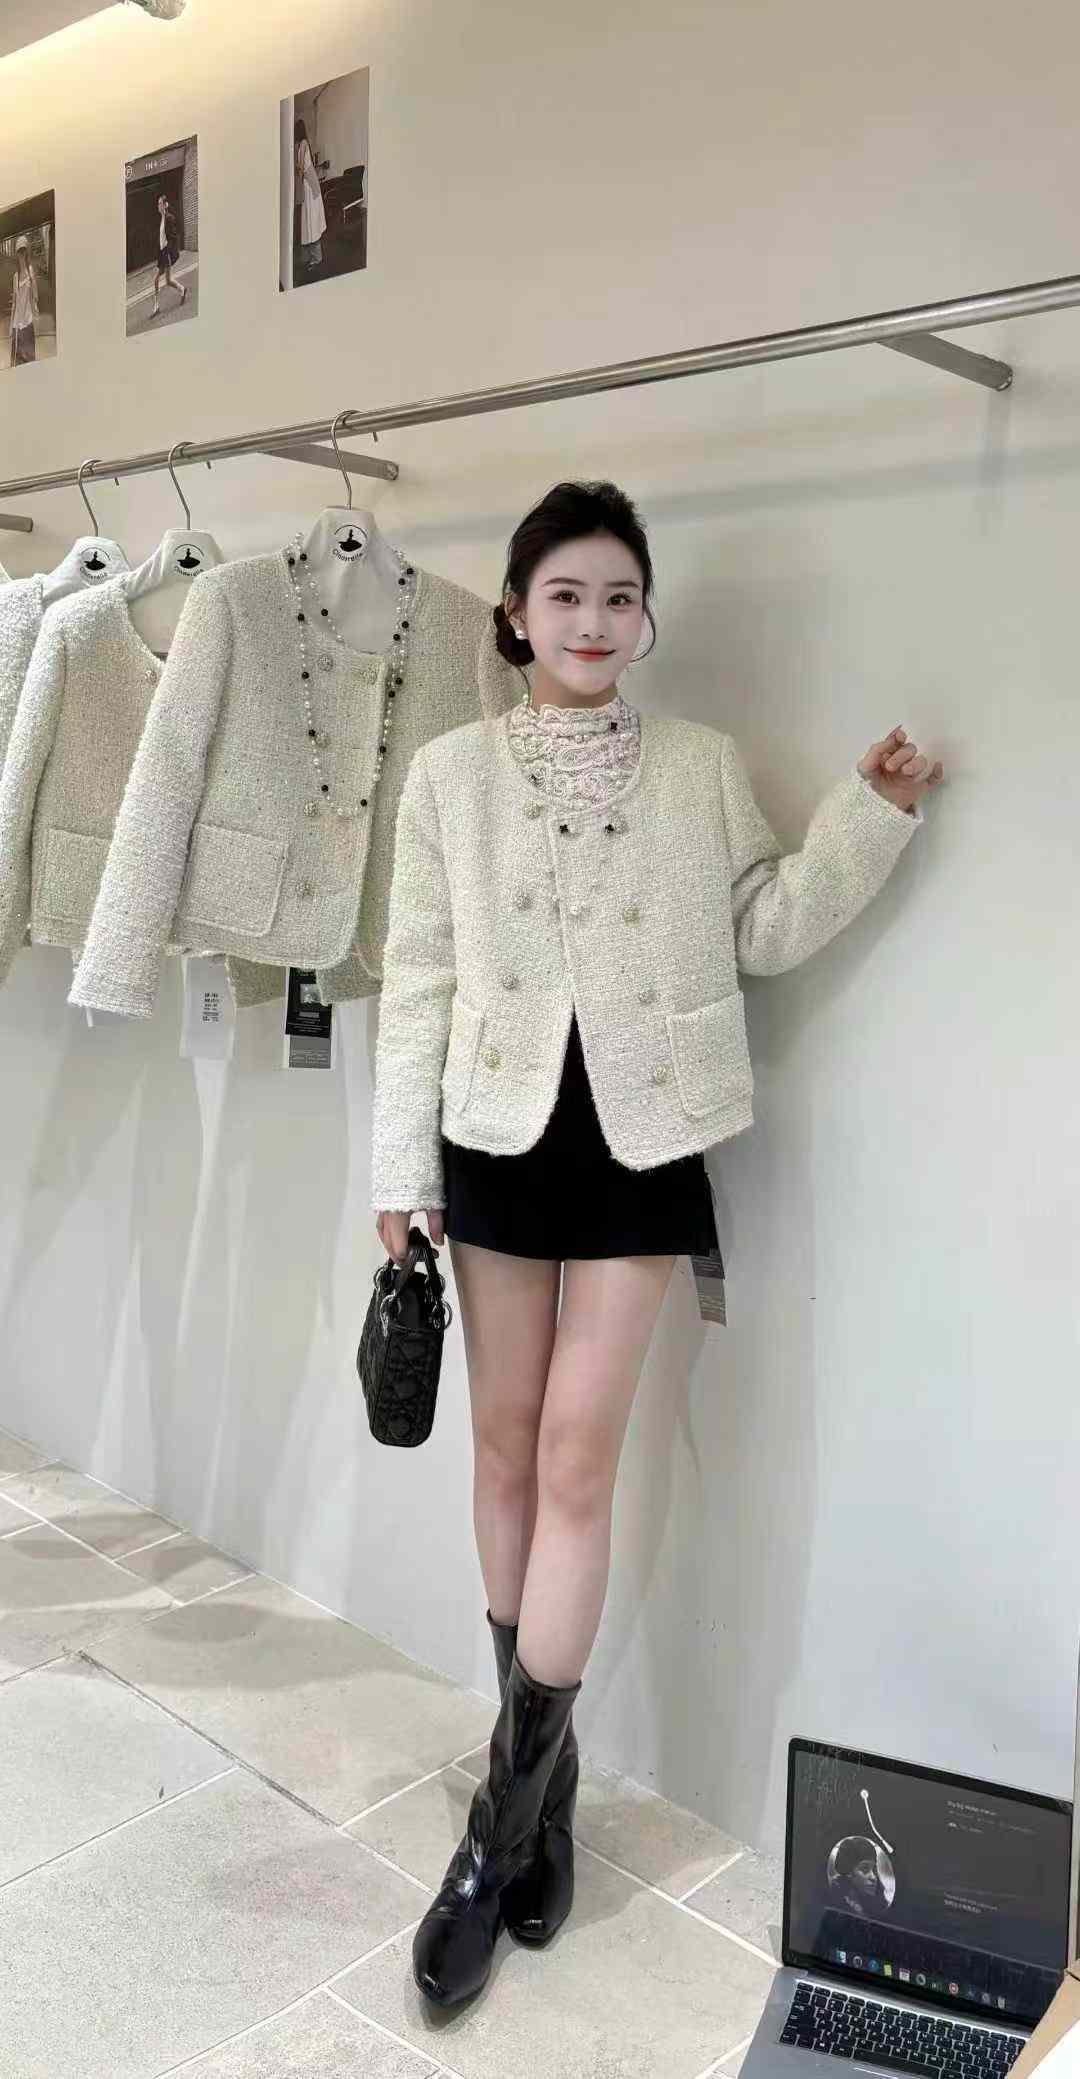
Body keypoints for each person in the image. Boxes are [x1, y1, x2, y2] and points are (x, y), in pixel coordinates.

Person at [370, 479, 944, 2008]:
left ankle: (494, 1835)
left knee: (576, 1453)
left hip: (642, 1140)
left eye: (619, 594)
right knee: (502, 1445)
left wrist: (866, 817)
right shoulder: (448, 775)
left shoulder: (697, 766)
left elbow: (760, 922)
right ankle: (548, 1787)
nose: (593, 618)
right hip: (494, 1133)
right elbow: (416, 977)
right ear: (516, 612)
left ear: (646, 618)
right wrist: (398, 1168)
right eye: (565, 592)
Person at [294, 117, 327, 270]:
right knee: (311, 221)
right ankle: (312, 256)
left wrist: (296, 170)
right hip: (312, 187)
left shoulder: (302, 144)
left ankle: (316, 258)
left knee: (311, 222)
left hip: (310, 187)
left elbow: (302, 168)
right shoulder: (304, 143)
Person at [151, 194, 187, 320]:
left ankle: (182, 289)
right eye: (158, 203)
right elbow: (161, 239)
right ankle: (156, 306)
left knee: (166, 280)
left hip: (167, 253)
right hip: (162, 254)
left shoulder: (169, 218)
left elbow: (173, 237)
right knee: (157, 279)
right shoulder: (161, 219)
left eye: (160, 203)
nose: (158, 205)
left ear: (165, 205)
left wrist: (170, 253)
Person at [8, 236, 38, 367]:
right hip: (17, 324)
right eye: (19, 251)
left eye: (23, 250)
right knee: (17, 362)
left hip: (28, 321)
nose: (21, 253)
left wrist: (35, 305)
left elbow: (35, 295)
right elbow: (14, 303)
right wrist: (10, 325)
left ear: (26, 252)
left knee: (30, 360)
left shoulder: (31, 271)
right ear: (17, 253)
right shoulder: (15, 277)